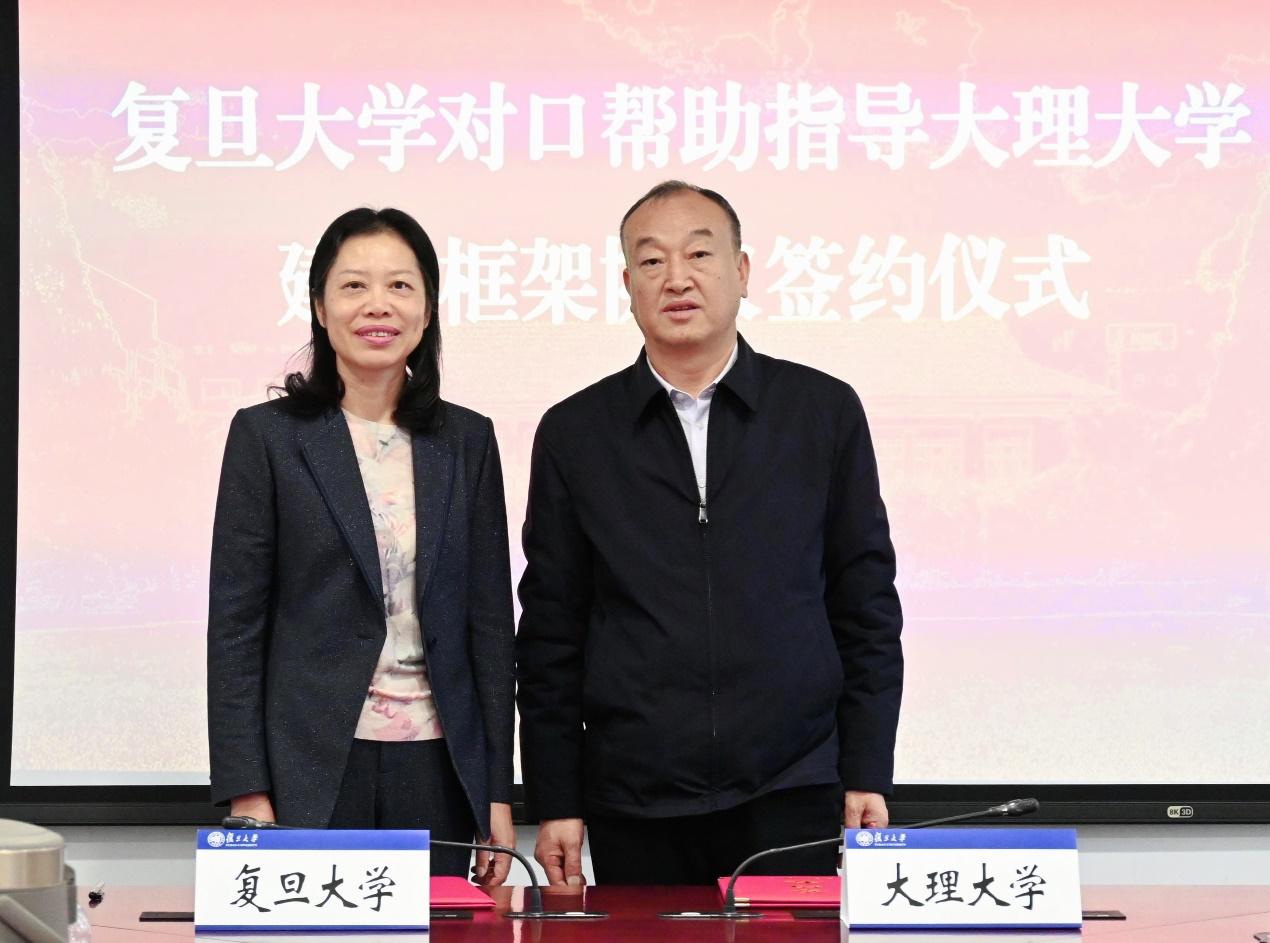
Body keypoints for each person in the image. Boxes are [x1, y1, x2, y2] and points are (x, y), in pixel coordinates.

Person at [517, 181, 904, 886]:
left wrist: (868, 767)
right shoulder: (577, 432)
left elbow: (867, 605)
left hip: (793, 787)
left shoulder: (821, 411)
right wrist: (555, 798)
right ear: (627, 285)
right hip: (634, 797)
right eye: (652, 260)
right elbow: (550, 630)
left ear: (742, 271)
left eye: (699, 253)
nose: (677, 278)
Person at [207, 207, 516, 884]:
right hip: (310, 764)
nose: (378, 304)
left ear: (427, 311)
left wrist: (497, 788)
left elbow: (491, 625)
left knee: (438, 929)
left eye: (400, 286)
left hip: (438, 766)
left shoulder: (468, 440)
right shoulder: (268, 438)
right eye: (354, 286)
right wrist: (247, 789)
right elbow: (235, 627)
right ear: (321, 308)